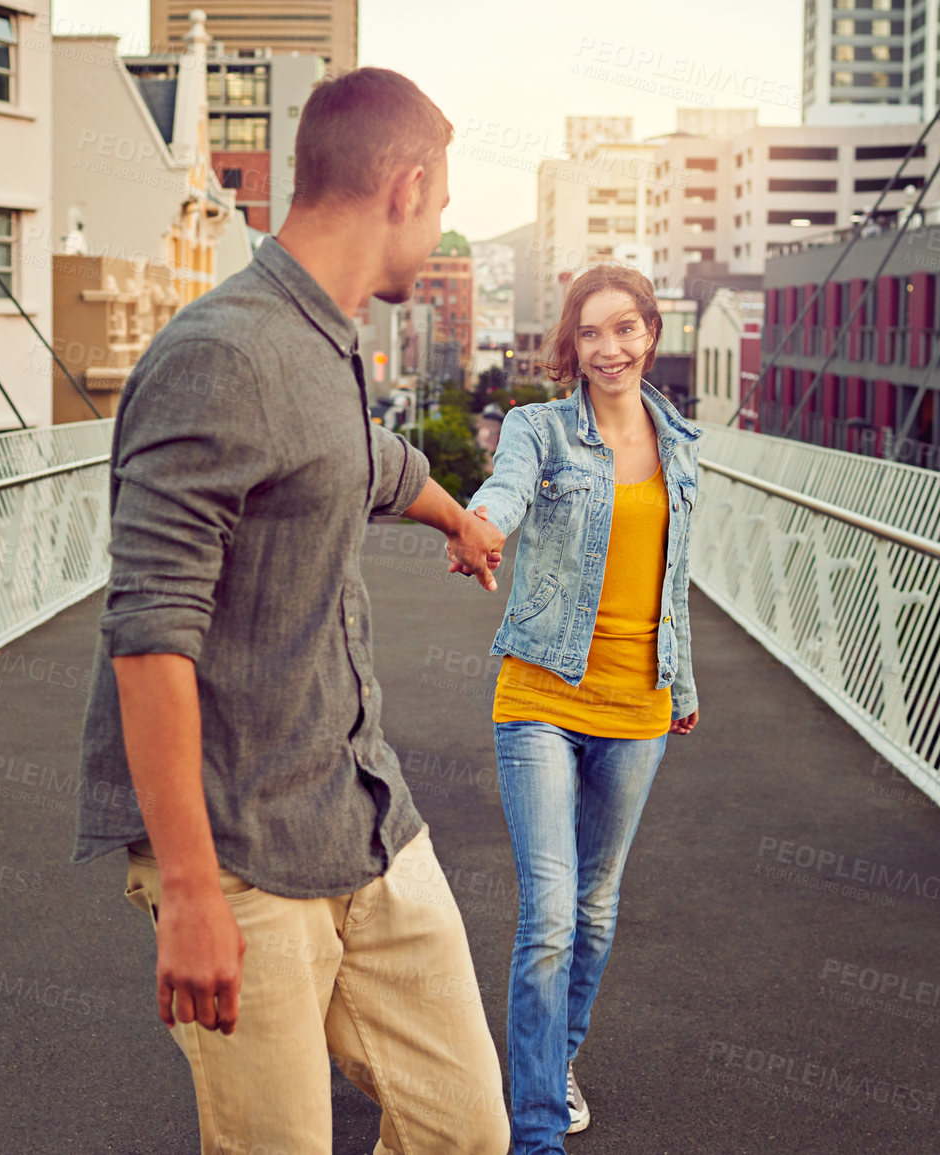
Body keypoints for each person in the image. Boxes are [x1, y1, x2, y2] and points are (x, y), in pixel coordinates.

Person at [74, 67, 510, 1155]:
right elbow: (150, 631)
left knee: (466, 1129)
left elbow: (365, 462)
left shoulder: (327, 343)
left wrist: (456, 518)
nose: (441, 221)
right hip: (240, 851)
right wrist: (187, 892)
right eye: (445, 201)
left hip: (361, 811)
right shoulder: (222, 356)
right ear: (405, 188)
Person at [462, 263, 703, 1153]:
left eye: (625, 328)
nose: (609, 348)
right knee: (552, 910)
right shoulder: (537, 429)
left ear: (649, 333)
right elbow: (506, 491)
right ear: (573, 342)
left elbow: (671, 581)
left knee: (597, 908)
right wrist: (480, 526)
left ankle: (551, 1061)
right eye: (591, 332)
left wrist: (682, 686)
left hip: (638, 701)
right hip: (540, 693)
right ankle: (533, 1132)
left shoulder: (680, 442)